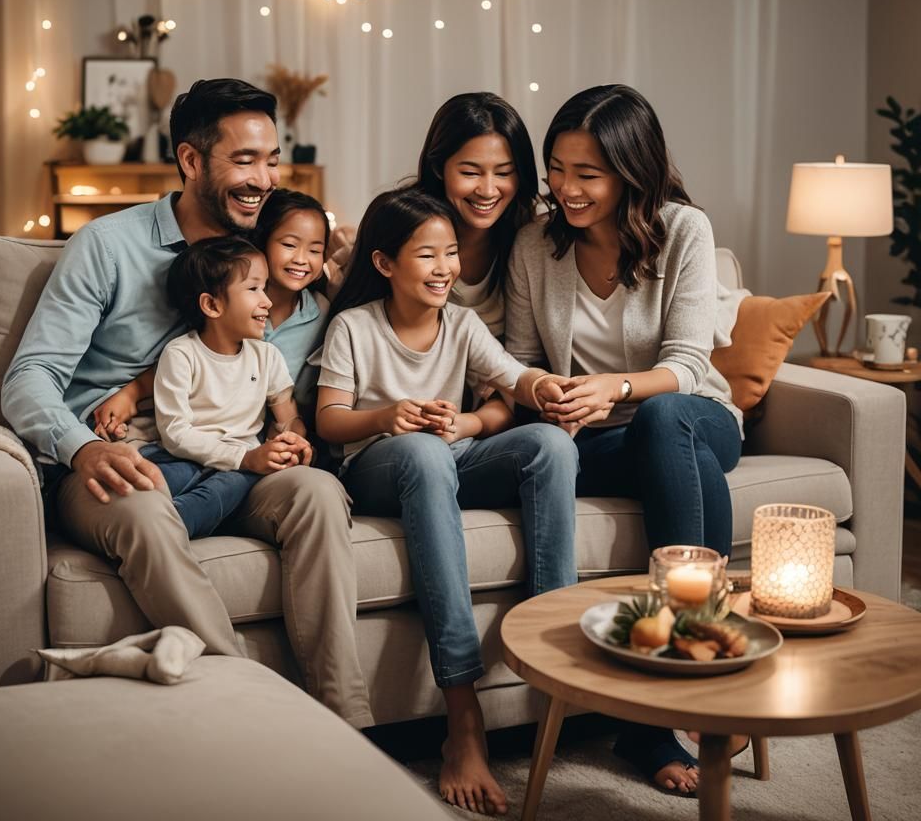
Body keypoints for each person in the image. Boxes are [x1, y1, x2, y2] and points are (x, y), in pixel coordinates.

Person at [1, 78, 373, 728]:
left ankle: (348, 722)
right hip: (120, 454)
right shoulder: (108, 246)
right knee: (146, 507)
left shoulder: (263, 252)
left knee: (316, 492)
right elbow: (28, 376)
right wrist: (82, 449)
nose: (264, 179)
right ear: (192, 160)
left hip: (231, 454)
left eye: (272, 160)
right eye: (245, 160)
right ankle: (255, 715)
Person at [505, 83, 745, 794]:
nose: (566, 189)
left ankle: (663, 694)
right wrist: (547, 392)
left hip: (693, 415)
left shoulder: (683, 230)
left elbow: (688, 364)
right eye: (557, 169)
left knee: (666, 420)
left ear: (631, 171)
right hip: (595, 441)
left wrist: (614, 387)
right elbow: (520, 360)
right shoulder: (534, 244)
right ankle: (702, 669)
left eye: (588, 173)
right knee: (665, 450)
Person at [316, 187, 579, 816]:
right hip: (379, 466)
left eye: (452, 252)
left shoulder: (461, 323)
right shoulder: (355, 326)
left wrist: (520, 399)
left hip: (445, 455)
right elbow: (328, 420)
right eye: (427, 254)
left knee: (549, 444)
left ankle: (554, 652)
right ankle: (462, 715)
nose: (445, 268)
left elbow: (512, 380)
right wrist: (385, 417)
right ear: (384, 263)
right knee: (424, 453)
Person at [138, 236, 313, 539]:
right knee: (151, 478)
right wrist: (242, 458)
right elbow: (175, 432)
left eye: (265, 287)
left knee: (229, 484)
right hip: (184, 457)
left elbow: (288, 419)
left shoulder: (267, 356)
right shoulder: (181, 354)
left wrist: (293, 442)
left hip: (242, 466)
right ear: (212, 304)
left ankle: (165, 530)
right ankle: (138, 518)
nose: (267, 301)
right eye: (253, 289)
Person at [413, 92, 539, 338]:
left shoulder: (530, 237)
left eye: (503, 173)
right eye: (470, 173)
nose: (488, 191)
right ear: (438, 168)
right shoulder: (405, 227)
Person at [253, 188, 331, 410]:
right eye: (289, 245)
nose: (301, 259)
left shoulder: (323, 314)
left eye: (314, 250)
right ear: (262, 241)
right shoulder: (234, 303)